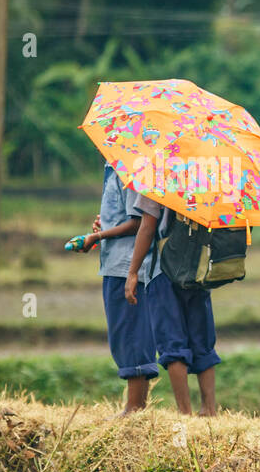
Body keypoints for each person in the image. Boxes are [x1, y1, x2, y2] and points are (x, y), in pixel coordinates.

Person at [123, 194, 220, 416]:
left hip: (163, 271)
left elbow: (147, 227)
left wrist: (132, 272)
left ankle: (185, 412)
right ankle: (209, 410)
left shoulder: (159, 175)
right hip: (200, 269)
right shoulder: (210, 176)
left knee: (172, 343)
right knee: (202, 340)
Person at [73, 164, 158, 413]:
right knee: (127, 333)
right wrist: (105, 226)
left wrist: (98, 237)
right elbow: (124, 215)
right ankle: (136, 407)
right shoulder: (113, 168)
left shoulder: (129, 168)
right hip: (117, 262)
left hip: (127, 263)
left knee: (130, 333)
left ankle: (134, 407)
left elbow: (140, 221)